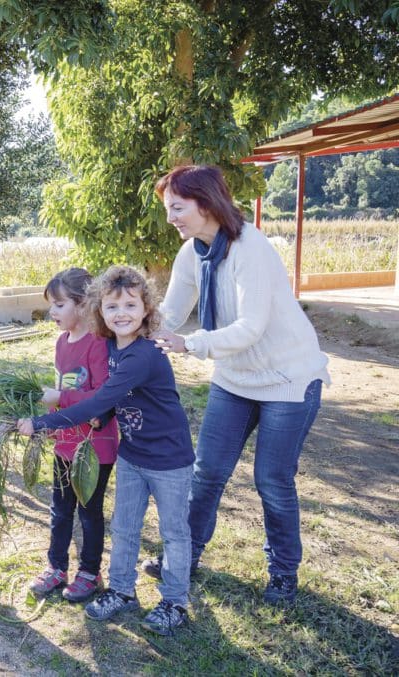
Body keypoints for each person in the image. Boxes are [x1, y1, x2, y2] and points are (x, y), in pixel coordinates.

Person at [150, 164, 329, 605]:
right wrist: (128, 329)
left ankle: (283, 573)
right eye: (168, 208)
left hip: (288, 378)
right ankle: (184, 555)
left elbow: (251, 327)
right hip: (235, 379)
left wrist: (190, 344)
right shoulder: (192, 253)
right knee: (207, 472)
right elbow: (170, 315)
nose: (171, 216)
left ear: (206, 203)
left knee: (272, 479)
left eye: (177, 207)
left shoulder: (252, 248)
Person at [17, 266, 194, 636]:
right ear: (99, 310)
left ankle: (174, 600)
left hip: (168, 460)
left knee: (174, 533)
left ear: (147, 309)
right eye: (112, 307)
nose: (121, 314)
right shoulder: (112, 346)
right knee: (124, 527)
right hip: (132, 454)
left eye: (131, 305)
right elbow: (111, 400)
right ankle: (121, 590)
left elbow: (100, 399)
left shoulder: (142, 355)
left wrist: (42, 423)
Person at [27, 268, 118, 604]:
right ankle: (56, 567)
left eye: (60, 304)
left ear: (82, 305)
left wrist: (58, 401)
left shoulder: (98, 344)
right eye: (51, 305)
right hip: (66, 442)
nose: (53, 311)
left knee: (89, 511)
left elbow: (101, 397)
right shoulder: (62, 343)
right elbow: (63, 387)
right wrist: (51, 423)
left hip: (95, 446)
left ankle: (89, 573)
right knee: (60, 508)